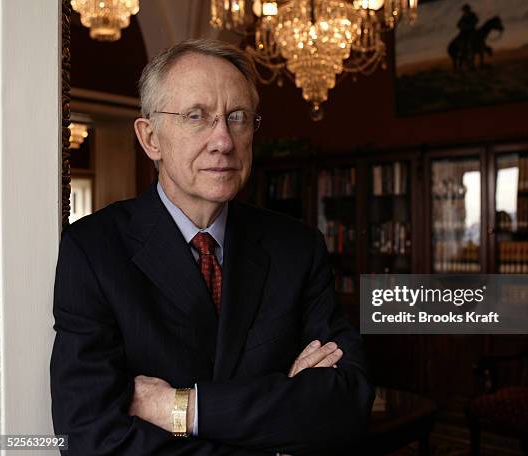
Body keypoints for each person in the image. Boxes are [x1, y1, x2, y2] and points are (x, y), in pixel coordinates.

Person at [50, 38, 374, 455]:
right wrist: (275, 428)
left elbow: (347, 401)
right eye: (196, 116)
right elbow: (88, 438)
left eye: (237, 117)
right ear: (151, 139)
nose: (223, 140)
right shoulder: (93, 250)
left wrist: (179, 408)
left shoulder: (297, 247)